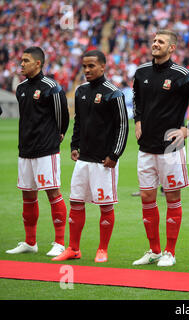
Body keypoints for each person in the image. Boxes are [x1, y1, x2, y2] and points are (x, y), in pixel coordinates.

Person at [131, 30, 189, 267]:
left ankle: (169, 252)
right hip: (145, 148)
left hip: (170, 149)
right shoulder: (141, 72)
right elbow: (136, 99)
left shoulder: (183, 75)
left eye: (160, 42)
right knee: (146, 197)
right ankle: (153, 250)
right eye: (154, 40)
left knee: (172, 198)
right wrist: (138, 120)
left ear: (171, 48)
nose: (155, 44)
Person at [52, 50, 128, 263]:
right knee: (76, 202)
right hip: (83, 160)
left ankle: (102, 249)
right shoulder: (81, 91)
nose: (87, 70)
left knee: (105, 206)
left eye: (91, 66)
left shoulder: (114, 93)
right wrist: (74, 145)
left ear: (103, 67)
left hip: (104, 162)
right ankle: (73, 248)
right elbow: (78, 121)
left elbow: (123, 126)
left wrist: (115, 154)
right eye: (84, 66)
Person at [6, 47, 69, 257]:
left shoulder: (51, 87)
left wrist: (57, 136)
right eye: (21, 60)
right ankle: (30, 242)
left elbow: (63, 117)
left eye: (26, 61)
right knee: (28, 195)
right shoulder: (21, 88)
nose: (21, 64)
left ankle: (59, 242)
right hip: (25, 150)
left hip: (46, 150)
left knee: (52, 193)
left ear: (38, 64)